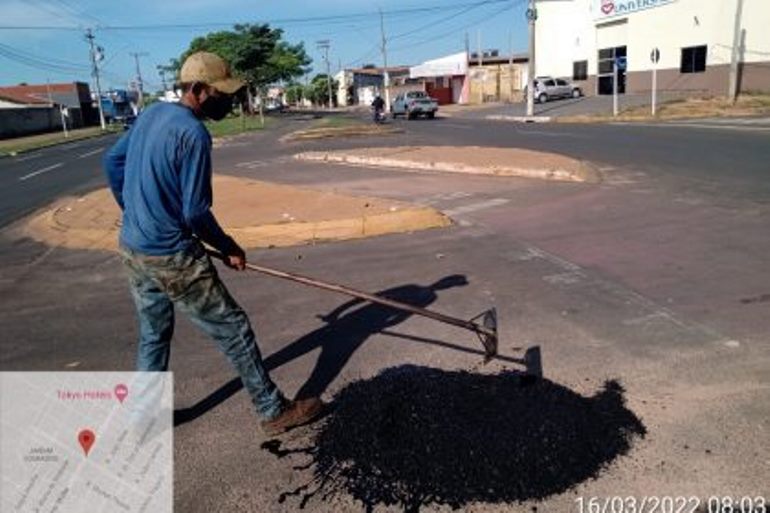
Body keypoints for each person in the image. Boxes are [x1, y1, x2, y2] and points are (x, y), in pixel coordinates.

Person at [103, 51, 322, 436]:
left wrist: (136, 211)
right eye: (223, 93)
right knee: (233, 328)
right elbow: (195, 213)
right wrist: (230, 246)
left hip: (134, 248)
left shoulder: (153, 113)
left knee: (154, 334)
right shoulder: (193, 133)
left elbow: (112, 163)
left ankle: (141, 418)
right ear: (199, 91)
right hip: (172, 256)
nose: (230, 100)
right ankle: (272, 410)